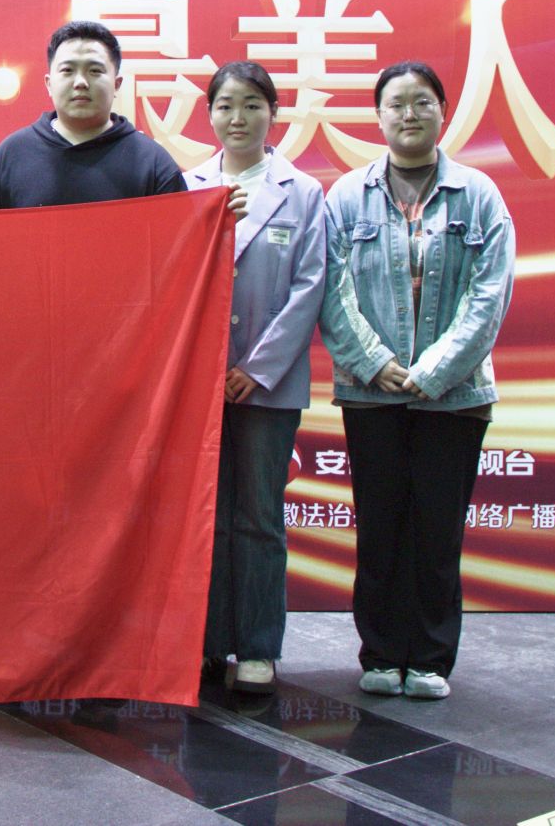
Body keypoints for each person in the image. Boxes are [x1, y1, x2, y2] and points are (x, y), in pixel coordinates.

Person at [320, 60, 514, 701]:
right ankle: (380, 653)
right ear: (378, 116)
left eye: (422, 102)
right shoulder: (347, 196)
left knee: (437, 530)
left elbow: (490, 295)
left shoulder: (478, 195)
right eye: (397, 103)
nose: (409, 114)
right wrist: (375, 362)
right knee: (380, 526)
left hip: (454, 398)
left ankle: (429, 658)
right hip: (370, 392)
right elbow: (331, 290)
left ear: (443, 111)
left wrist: (433, 372)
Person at [184, 62, 325, 696]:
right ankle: (207, 642)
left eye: (251, 105)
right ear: (209, 114)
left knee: (260, 516)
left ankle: (259, 646)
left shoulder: (304, 192)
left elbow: (309, 287)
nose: (237, 118)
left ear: (273, 113)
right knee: (206, 515)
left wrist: (257, 369)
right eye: (225, 106)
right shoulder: (189, 186)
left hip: (270, 386)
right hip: (199, 385)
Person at [0, 20, 185, 209]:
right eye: (67, 70)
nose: (80, 82)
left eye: (94, 71)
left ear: (116, 84)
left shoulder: (152, 162)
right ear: (49, 84)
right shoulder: (12, 155)